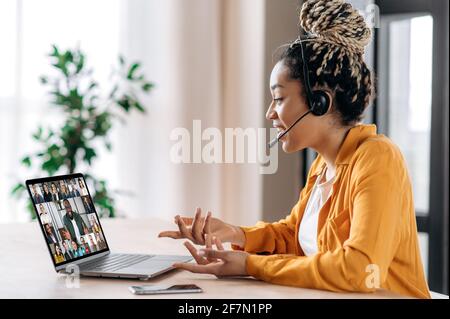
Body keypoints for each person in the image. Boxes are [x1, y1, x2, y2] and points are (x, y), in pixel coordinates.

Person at [158, 0, 430, 299]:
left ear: (319, 102)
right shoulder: (324, 165)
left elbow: (359, 270)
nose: (270, 113)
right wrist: (237, 234)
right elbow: (294, 237)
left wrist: (252, 264)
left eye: (279, 98)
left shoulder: (377, 158)